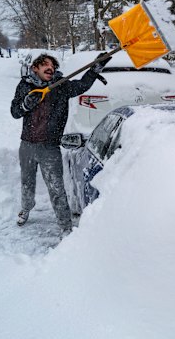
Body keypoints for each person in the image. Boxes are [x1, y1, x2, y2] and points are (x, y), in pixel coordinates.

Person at [10, 52, 111, 233]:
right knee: (27, 181)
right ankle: (26, 208)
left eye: (53, 66)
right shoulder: (25, 85)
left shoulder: (61, 86)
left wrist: (95, 69)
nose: (50, 68)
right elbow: (15, 112)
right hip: (27, 145)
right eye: (45, 65)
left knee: (56, 188)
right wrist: (26, 104)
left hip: (49, 147)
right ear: (35, 68)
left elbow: (82, 85)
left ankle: (65, 227)